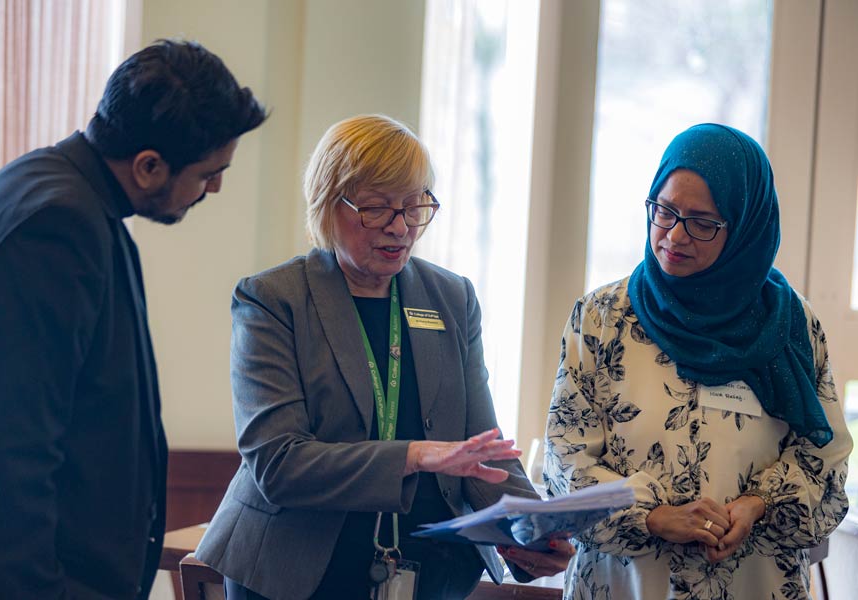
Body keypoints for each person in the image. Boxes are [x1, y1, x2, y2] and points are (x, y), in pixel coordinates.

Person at [196, 114, 574, 599]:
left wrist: (533, 531)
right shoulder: (273, 299)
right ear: (328, 205)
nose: (400, 228)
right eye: (376, 209)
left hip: (428, 575)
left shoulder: (451, 298)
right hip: (297, 573)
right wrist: (414, 456)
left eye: (415, 207)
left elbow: (480, 448)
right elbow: (278, 464)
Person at [0, 39, 266, 599]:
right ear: (149, 166)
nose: (215, 187)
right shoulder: (55, 225)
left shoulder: (58, 193)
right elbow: (6, 453)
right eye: (207, 173)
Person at [543, 123, 853, 599]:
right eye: (664, 211)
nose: (674, 235)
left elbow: (825, 465)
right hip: (625, 584)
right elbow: (565, 465)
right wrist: (650, 517)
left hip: (754, 583)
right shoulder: (603, 318)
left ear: (746, 225)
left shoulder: (789, 324)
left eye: (703, 222)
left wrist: (759, 505)